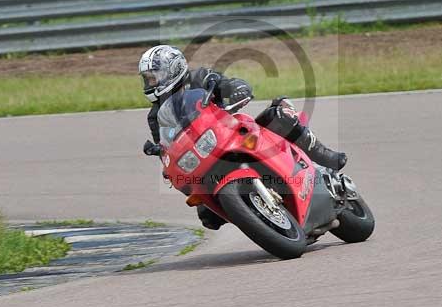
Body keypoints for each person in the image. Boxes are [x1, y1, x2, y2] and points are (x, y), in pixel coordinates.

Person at [139, 44, 347, 230]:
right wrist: (165, 159)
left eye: (153, 76)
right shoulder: (155, 117)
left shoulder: (198, 77)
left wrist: (236, 88)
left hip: (230, 132)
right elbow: (166, 146)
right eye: (147, 78)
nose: (150, 83)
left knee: (278, 115)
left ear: (172, 69)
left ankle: (323, 156)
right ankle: (261, 218)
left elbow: (224, 82)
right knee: (207, 216)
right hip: (203, 156)